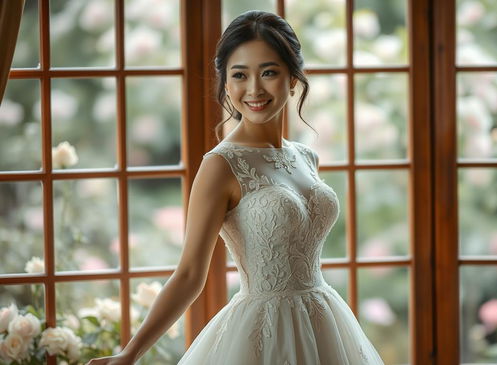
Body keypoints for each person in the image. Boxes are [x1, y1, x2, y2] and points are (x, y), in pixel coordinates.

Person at [87, 10, 384, 365]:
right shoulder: (220, 165)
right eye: (240, 75)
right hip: (262, 333)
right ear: (226, 84)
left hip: (325, 322)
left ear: (293, 79)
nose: (254, 89)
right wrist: (130, 354)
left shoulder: (306, 156)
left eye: (269, 72)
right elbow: (189, 275)